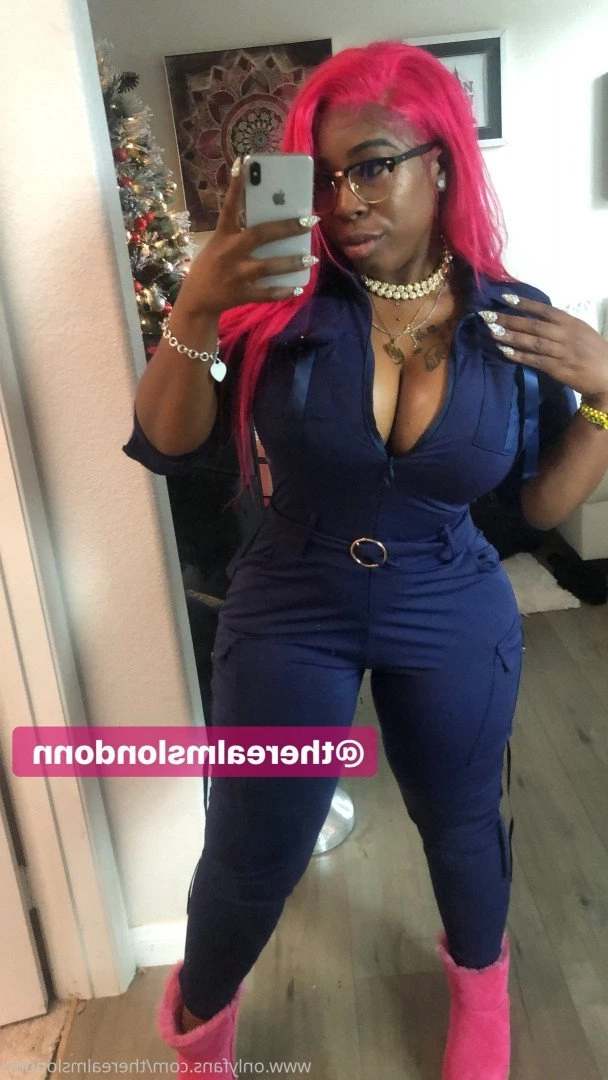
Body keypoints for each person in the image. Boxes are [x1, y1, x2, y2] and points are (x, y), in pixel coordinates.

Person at [123, 40, 608, 1080]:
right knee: (255, 843)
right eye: (325, 174)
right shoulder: (275, 303)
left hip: (450, 596)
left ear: (442, 163)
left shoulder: (511, 319)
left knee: (460, 823)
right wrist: (196, 307)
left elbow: (536, 504)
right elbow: (165, 443)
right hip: (291, 600)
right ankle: (199, 1028)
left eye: (373, 165)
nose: (344, 200)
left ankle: (481, 989)